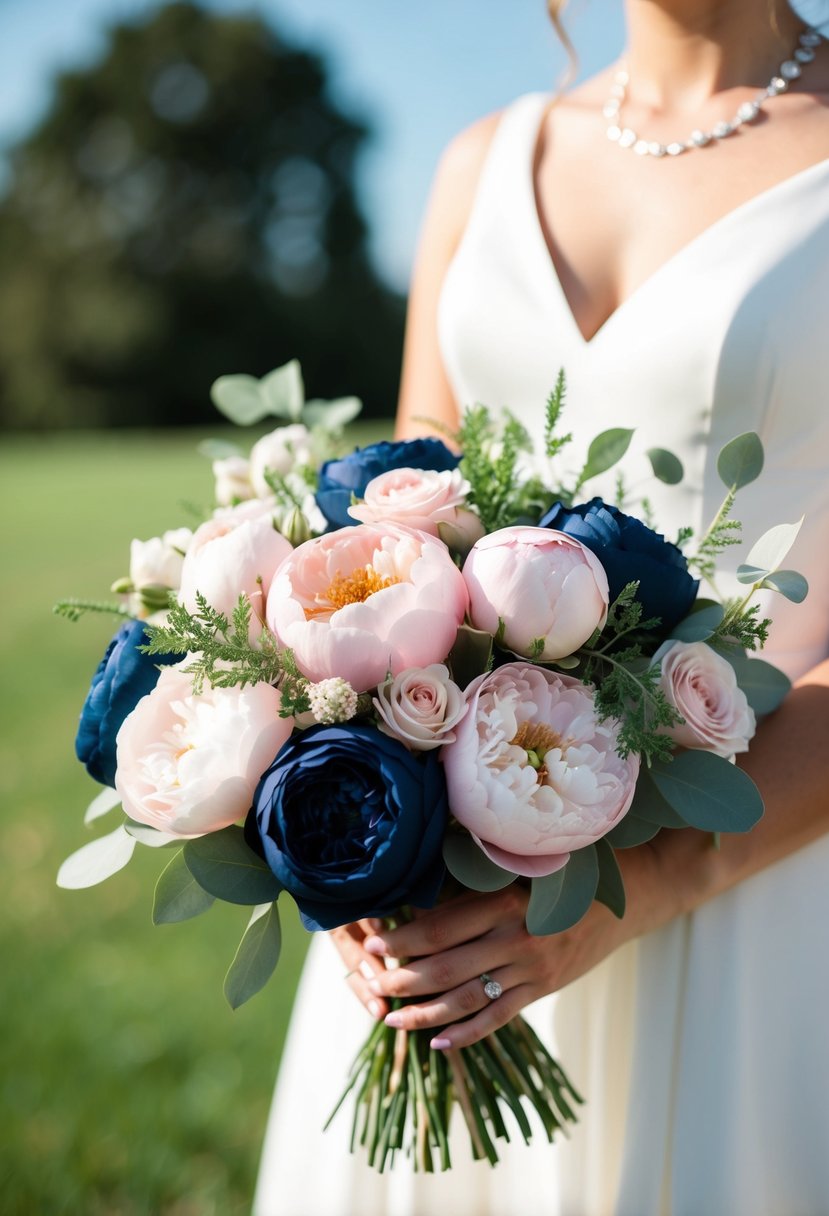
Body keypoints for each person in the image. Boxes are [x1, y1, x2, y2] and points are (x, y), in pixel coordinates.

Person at [253, 2, 829, 1212]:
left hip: (761, 879)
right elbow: (403, 537)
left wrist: (643, 890)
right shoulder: (482, 161)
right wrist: (372, 840)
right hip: (463, 915)